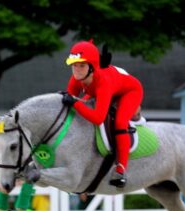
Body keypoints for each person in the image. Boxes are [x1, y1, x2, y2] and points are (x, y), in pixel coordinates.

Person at [62, 40, 144, 188]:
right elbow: (69, 104)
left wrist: (75, 103)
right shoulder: (76, 79)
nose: (77, 70)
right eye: (74, 65)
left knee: (119, 122)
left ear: (92, 67)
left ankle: (121, 170)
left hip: (129, 91)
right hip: (105, 90)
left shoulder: (103, 82)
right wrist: (73, 103)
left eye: (82, 65)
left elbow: (98, 118)